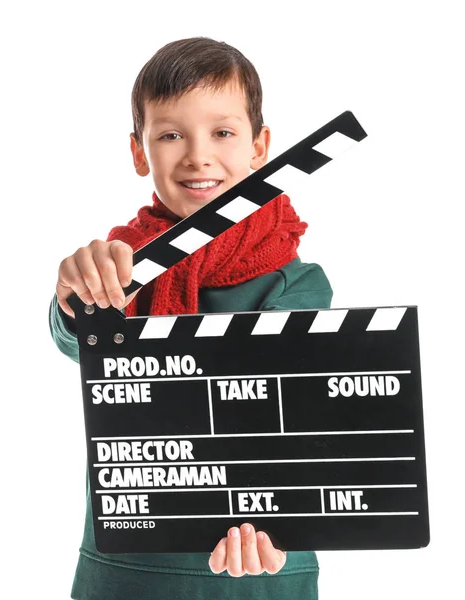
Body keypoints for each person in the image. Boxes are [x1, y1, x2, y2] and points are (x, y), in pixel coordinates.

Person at [49, 36, 333, 600]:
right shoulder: (122, 263)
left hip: (267, 564)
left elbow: (301, 424)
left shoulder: (295, 283)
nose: (198, 156)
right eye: (171, 134)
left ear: (261, 147)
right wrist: (77, 293)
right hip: (127, 566)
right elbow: (79, 342)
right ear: (139, 152)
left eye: (223, 132)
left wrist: (289, 521)